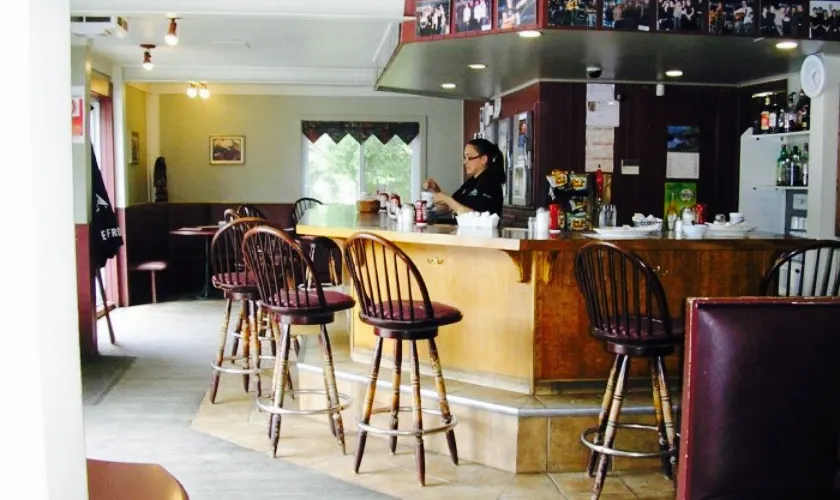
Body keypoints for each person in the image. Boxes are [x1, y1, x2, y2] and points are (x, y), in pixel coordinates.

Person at [423, 138, 506, 219]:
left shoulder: (490, 183)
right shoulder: (471, 182)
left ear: (483, 159)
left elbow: (476, 216)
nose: (465, 162)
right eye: (464, 158)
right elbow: (449, 207)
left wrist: (447, 199)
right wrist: (436, 192)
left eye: (469, 158)